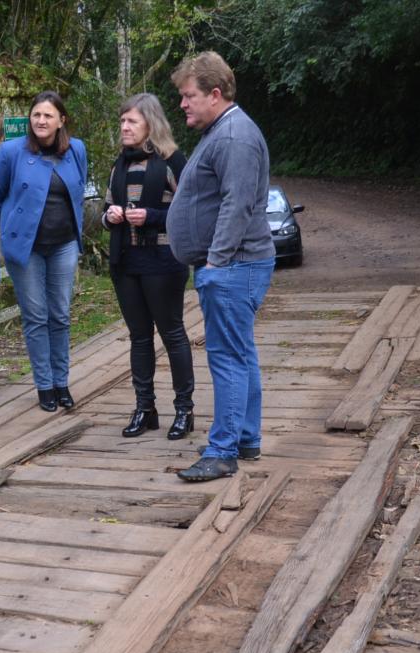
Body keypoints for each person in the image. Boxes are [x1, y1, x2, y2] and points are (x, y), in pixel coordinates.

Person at [165, 51, 276, 482]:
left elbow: (237, 203)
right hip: (234, 265)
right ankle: (244, 437)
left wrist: (215, 262)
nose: (182, 103)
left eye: (189, 95)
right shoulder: (222, 131)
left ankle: (223, 450)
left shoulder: (234, 137)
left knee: (227, 357)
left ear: (215, 94)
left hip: (234, 266)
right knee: (240, 353)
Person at [0, 91, 87, 412]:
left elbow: (78, 193)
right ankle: (44, 385)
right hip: (25, 248)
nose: (41, 120)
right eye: (36, 115)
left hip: (64, 244)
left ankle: (62, 382)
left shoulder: (77, 151)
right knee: (36, 316)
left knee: (60, 313)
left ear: (62, 120)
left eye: (48, 115)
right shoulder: (11, 152)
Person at [103, 93, 194, 440]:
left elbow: (189, 211)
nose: (124, 127)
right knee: (139, 338)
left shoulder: (172, 161)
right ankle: (145, 408)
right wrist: (111, 217)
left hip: (164, 261)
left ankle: (184, 410)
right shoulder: (119, 164)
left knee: (172, 334)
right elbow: (108, 209)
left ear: (150, 124)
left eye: (132, 122)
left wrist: (151, 216)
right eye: (122, 121)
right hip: (126, 262)